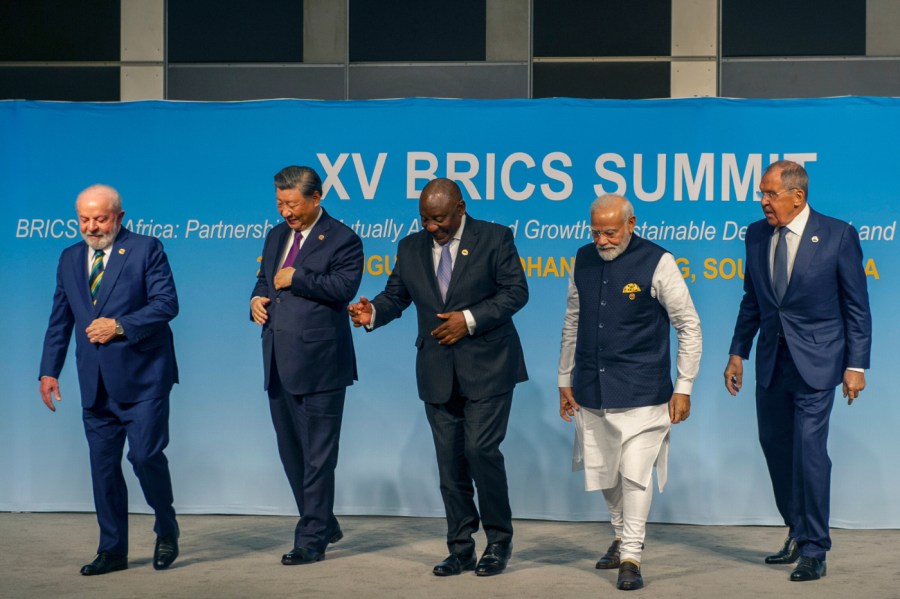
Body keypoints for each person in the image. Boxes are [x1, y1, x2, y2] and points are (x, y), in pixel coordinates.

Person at [349, 178, 528, 577]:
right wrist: (373, 313)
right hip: (436, 372)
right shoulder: (410, 247)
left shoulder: (495, 238)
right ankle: (460, 547)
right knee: (450, 465)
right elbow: (397, 295)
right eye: (425, 219)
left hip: (489, 368)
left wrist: (468, 320)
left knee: (481, 451)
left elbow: (516, 292)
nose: (432, 227)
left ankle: (499, 541)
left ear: (460, 208)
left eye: (440, 219)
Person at [724, 160, 871, 582]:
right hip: (772, 361)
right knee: (775, 447)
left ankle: (814, 548)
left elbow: (857, 309)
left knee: (809, 452)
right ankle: (796, 529)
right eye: (762, 193)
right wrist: (738, 352)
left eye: (770, 194)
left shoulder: (838, 235)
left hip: (820, 362)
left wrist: (855, 365)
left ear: (797, 196)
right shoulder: (755, 234)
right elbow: (752, 299)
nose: (763, 201)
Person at [558, 194, 701, 591]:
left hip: (644, 391)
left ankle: (632, 556)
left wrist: (684, 386)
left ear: (631, 224)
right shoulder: (582, 258)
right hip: (590, 388)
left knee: (635, 475)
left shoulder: (659, 261)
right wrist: (563, 380)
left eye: (610, 232)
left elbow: (689, 325)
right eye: (596, 232)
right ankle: (620, 536)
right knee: (607, 474)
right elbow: (573, 321)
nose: (602, 240)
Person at [39, 184, 181, 575]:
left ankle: (166, 527)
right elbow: (60, 320)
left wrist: (119, 326)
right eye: (84, 219)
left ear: (119, 217)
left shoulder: (146, 249)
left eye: (100, 218)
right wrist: (49, 369)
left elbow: (167, 304)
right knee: (103, 469)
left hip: (144, 379)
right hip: (95, 382)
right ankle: (113, 549)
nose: (91, 226)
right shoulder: (69, 258)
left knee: (144, 456)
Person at [250, 165, 364, 565]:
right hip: (278, 361)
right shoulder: (276, 235)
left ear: (316, 199)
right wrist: (256, 299)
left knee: (318, 456)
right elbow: (266, 279)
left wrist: (297, 277)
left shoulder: (343, 239)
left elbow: (343, 288)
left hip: (321, 363)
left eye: (293, 204)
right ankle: (324, 520)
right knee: (291, 453)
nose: (286, 212)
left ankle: (311, 538)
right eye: (280, 203)